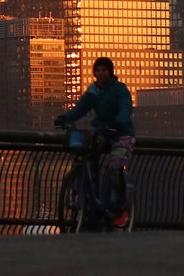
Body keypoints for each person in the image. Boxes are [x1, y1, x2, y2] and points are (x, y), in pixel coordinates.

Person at [55, 56, 137, 226]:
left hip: (122, 133)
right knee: (86, 160)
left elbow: (126, 108)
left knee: (114, 167)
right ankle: (92, 203)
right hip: (102, 132)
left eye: (103, 69)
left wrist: (119, 121)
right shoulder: (93, 91)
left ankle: (118, 204)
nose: (100, 73)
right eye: (97, 70)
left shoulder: (120, 89)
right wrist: (65, 118)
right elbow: (80, 109)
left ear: (110, 72)